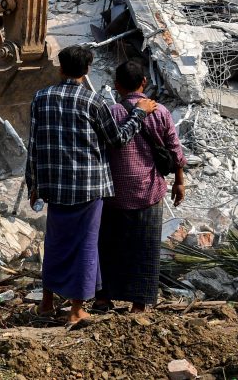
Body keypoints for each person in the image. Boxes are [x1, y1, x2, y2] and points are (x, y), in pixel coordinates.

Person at [26, 45, 157, 325]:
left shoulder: (40, 98)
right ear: (86, 71)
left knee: (56, 242)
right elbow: (118, 139)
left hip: (54, 186)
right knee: (86, 244)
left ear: (60, 69)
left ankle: (47, 303)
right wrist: (140, 114)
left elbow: (33, 144)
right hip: (89, 187)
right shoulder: (93, 101)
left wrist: (33, 184)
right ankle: (76, 310)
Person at [97, 60, 187, 313]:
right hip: (149, 190)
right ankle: (138, 304)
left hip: (113, 193)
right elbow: (174, 149)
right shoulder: (160, 112)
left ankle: (104, 297)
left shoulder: (112, 113)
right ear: (144, 82)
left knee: (109, 246)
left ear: (116, 85)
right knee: (144, 248)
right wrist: (179, 181)